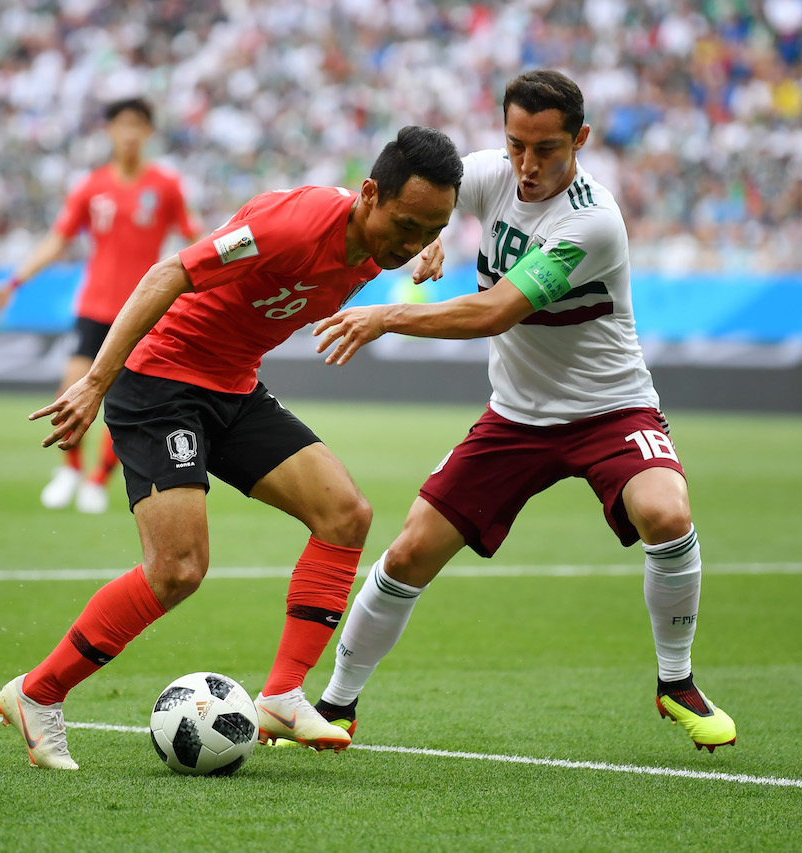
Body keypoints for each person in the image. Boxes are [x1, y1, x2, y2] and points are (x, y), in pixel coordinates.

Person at [0, 125, 463, 769]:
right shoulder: (293, 224)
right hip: (160, 382)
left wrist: (428, 246)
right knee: (178, 569)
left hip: (232, 387)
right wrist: (95, 381)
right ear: (369, 194)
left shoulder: (392, 235)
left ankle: (282, 694)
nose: (413, 244)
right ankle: (37, 694)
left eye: (430, 230)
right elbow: (169, 272)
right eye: (407, 226)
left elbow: (426, 224)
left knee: (345, 514)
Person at [311, 70, 737, 753]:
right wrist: (430, 237)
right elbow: (435, 203)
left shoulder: (593, 221)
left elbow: (497, 310)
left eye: (547, 149)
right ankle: (335, 705)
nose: (528, 165)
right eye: (516, 145)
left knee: (667, 511)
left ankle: (676, 680)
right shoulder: (492, 174)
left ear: (582, 141)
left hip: (611, 408)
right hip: (515, 415)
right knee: (410, 551)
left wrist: (387, 315)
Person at [0, 97, 200, 514]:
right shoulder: (92, 186)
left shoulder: (165, 185)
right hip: (95, 306)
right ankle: (70, 469)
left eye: (138, 124)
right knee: (71, 387)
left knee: (124, 402)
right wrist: (15, 281)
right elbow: (57, 238)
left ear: (149, 133)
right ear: (110, 130)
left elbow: (192, 233)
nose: (130, 133)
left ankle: (98, 480)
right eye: (122, 124)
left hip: (140, 308)